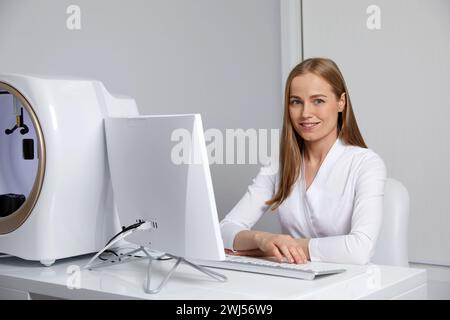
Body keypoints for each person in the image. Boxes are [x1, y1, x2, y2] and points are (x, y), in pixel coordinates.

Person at [220, 57, 387, 265]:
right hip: (296, 283)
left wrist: (283, 247)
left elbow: (359, 250)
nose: (305, 113)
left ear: (341, 102)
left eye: (318, 100)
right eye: (296, 102)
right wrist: (263, 239)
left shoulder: (366, 164)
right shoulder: (280, 164)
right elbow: (224, 230)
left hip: (352, 287)